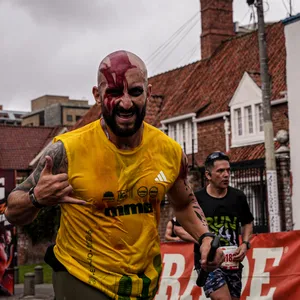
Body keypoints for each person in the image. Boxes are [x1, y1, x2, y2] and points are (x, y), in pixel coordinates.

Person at [5, 50, 224, 300]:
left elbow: (184, 204)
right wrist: (36, 197)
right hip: (82, 277)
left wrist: (205, 237)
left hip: (143, 282)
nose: (126, 102)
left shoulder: (169, 151)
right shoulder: (67, 150)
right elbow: (12, 211)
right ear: (97, 96)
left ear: (149, 93)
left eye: (135, 92)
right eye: (114, 93)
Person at [176, 151, 253, 300]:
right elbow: (178, 228)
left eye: (228, 170)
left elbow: (247, 222)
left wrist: (244, 243)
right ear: (208, 175)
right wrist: (204, 241)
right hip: (209, 262)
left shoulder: (238, 197)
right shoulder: (197, 199)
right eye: (220, 171)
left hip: (232, 262)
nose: (226, 175)